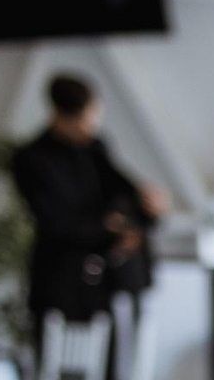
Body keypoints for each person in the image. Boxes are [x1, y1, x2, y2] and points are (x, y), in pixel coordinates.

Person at [10, 73, 164, 337]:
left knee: (110, 370)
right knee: (59, 365)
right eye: (84, 118)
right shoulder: (31, 159)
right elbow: (54, 223)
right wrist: (106, 228)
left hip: (103, 285)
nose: (89, 126)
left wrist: (148, 206)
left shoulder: (95, 148)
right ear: (61, 115)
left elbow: (124, 192)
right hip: (60, 284)